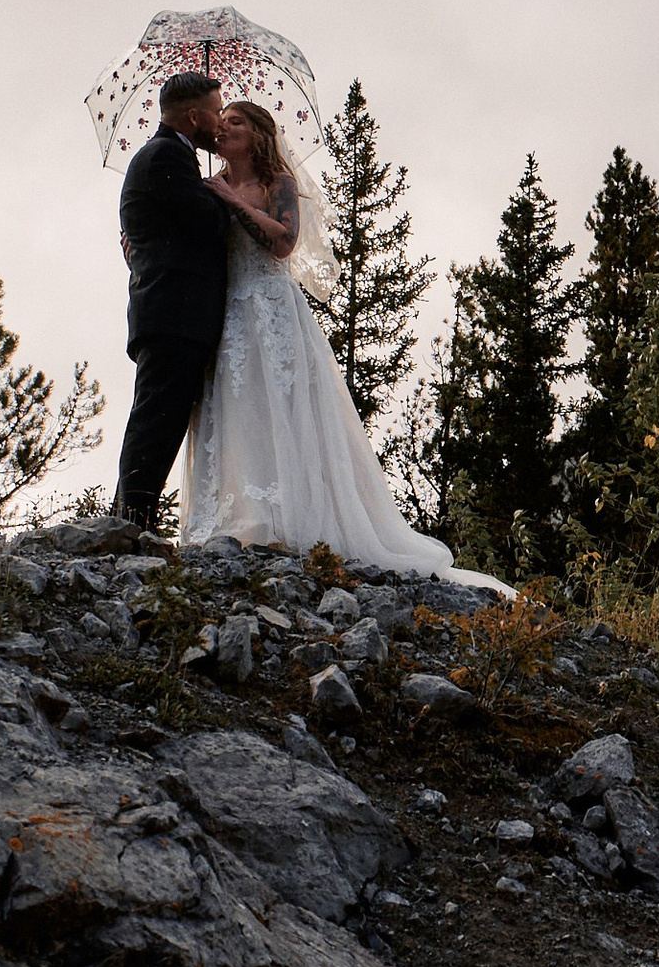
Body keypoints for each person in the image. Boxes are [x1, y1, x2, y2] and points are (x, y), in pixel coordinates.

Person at [182, 97, 506, 588]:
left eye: (235, 121)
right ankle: (244, 516)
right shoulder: (211, 185)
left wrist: (233, 202)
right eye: (220, 121)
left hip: (273, 306)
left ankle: (291, 517)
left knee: (286, 406)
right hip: (230, 309)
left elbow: (284, 244)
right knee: (239, 403)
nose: (223, 128)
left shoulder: (277, 185)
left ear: (257, 134)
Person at [111, 71, 230, 525]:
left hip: (174, 313)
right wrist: (230, 192)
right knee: (157, 418)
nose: (219, 122)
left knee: (163, 416)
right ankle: (131, 520)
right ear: (194, 115)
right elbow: (207, 223)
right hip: (172, 313)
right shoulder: (165, 156)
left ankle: (131, 516)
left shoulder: (173, 158)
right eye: (216, 112)